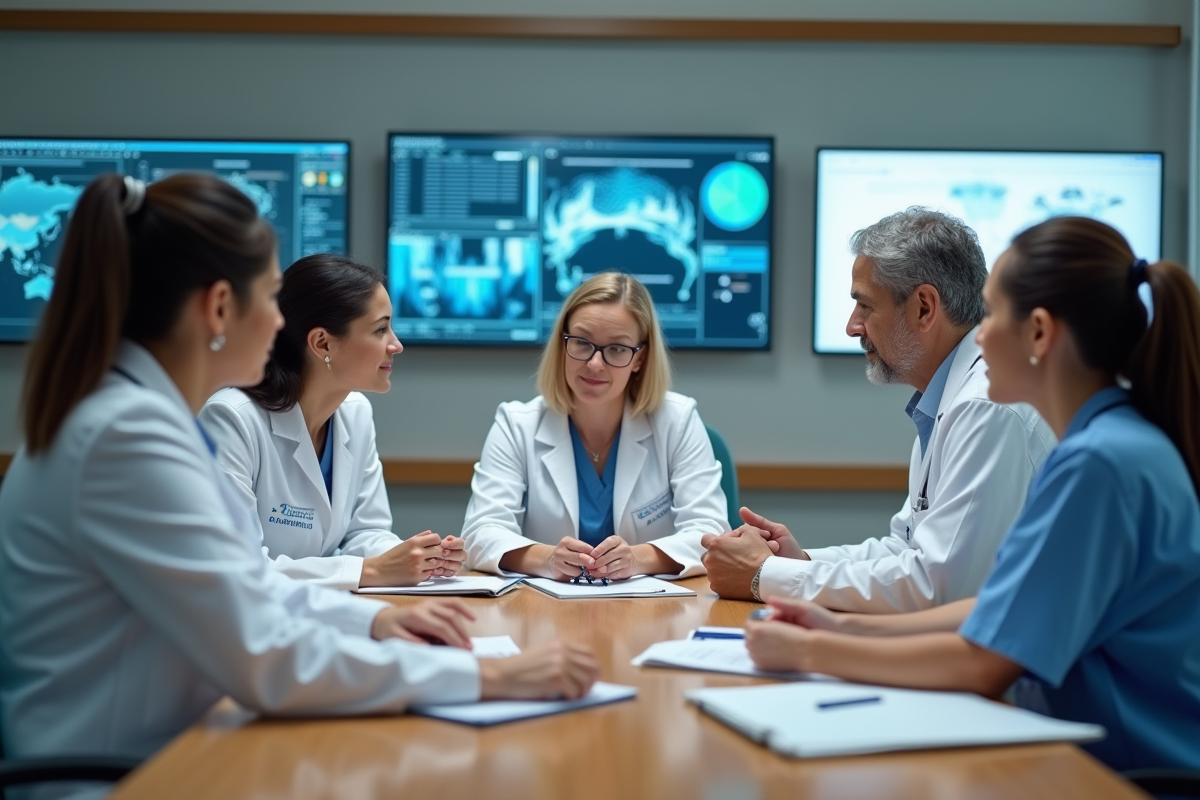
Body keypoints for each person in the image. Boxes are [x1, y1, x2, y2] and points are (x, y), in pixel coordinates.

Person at [0, 173, 599, 788]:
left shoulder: (135, 419)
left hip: (168, 748)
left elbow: (246, 585)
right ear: (219, 308)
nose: (278, 322)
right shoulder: (129, 440)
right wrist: (487, 677)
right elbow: (261, 652)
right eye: (270, 298)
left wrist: (375, 622)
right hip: (121, 776)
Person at [744, 217, 1200, 772]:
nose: (979, 336)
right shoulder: (1106, 444)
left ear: (1038, 333)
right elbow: (999, 607)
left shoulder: (1097, 462)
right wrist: (842, 626)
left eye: (992, 314)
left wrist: (813, 650)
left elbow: (987, 661)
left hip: (1132, 775)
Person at [703, 207, 1055, 611]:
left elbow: (939, 587)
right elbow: (904, 550)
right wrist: (796, 563)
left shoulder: (985, 406)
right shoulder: (950, 399)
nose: (852, 326)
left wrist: (764, 575)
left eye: (865, 306)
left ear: (924, 308)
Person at [200, 254, 463, 591]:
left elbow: (365, 532)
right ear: (322, 343)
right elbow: (238, 567)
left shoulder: (356, 413)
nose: (396, 345)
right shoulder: (233, 419)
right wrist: (371, 571)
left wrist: (418, 558)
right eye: (380, 329)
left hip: (322, 610)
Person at [462, 272, 727, 581]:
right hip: (543, 607)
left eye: (617, 349)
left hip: (652, 607)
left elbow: (711, 533)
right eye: (581, 342)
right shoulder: (516, 424)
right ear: (562, 344)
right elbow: (480, 533)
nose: (595, 364)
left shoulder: (677, 421)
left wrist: (637, 559)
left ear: (639, 359)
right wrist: (547, 559)